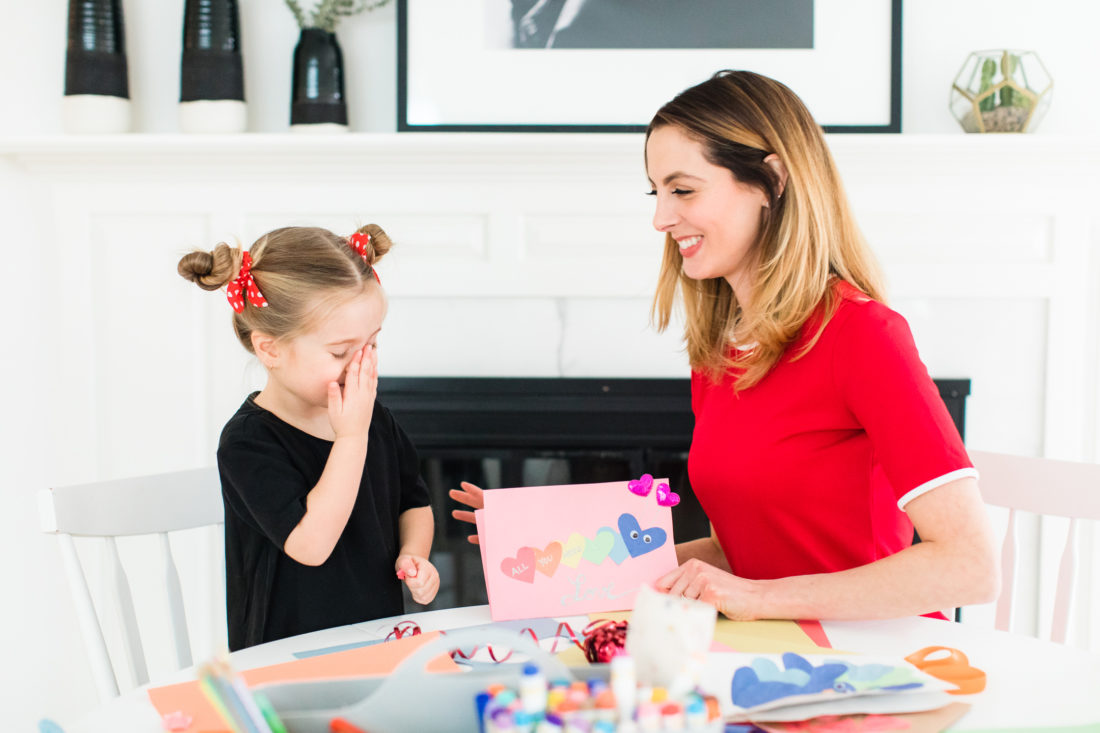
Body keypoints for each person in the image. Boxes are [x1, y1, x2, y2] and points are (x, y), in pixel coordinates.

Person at [451, 70, 998, 622]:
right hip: (771, 648)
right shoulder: (720, 351)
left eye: (683, 189)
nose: (661, 218)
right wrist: (552, 558)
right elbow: (737, 557)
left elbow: (970, 566)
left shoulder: (863, 335)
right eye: (657, 191)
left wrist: (756, 601)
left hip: (872, 659)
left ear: (772, 181)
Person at [178, 224, 439, 650]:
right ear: (271, 350)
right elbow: (312, 545)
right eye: (340, 352)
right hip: (286, 661)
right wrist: (350, 436)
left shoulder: (375, 420)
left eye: (371, 345)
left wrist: (415, 554)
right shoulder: (248, 442)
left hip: (377, 644)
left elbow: (415, 503)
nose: (360, 365)